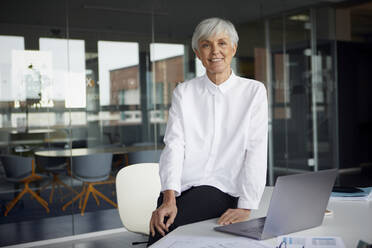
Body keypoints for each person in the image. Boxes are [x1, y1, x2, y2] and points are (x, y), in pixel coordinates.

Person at [148, 17, 268, 246]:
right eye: (206, 44)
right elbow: (174, 145)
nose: (215, 51)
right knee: (163, 218)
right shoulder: (184, 92)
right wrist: (169, 197)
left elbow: (256, 148)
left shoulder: (253, 92)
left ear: (233, 48)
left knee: (166, 228)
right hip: (181, 189)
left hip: (223, 189)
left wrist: (245, 206)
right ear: (197, 52)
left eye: (222, 43)